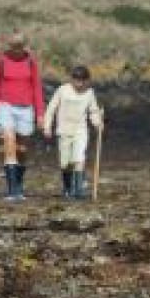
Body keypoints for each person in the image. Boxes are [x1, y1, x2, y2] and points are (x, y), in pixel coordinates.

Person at [0, 32, 45, 201]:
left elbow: (37, 88)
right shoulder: (1, 60)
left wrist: (40, 113)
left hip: (26, 107)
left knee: (22, 149)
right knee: (9, 144)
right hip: (5, 106)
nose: (16, 51)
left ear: (24, 46)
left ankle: (19, 184)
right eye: (13, 47)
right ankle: (12, 191)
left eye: (19, 47)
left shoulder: (31, 61)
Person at [42, 65, 104, 200]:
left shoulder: (89, 93)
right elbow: (51, 108)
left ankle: (78, 190)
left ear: (87, 81)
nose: (79, 84)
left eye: (83, 81)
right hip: (63, 130)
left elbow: (93, 111)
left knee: (79, 158)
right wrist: (47, 126)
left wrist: (97, 123)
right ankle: (67, 188)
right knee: (65, 163)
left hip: (80, 130)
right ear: (72, 79)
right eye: (77, 80)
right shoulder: (62, 90)